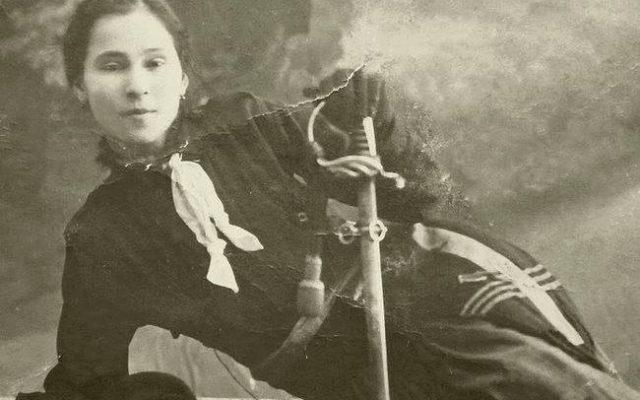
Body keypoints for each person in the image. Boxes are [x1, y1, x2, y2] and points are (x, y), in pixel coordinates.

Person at [15, 0, 640, 399]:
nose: (137, 86)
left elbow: (409, 192)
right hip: (332, 381)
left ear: (182, 77)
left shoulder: (248, 121)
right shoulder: (102, 235)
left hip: (415, 312)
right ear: (78, 86)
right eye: (111, 66)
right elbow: (84, 375)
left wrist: (366, 121)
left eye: (154, 63)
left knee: (540, 383)